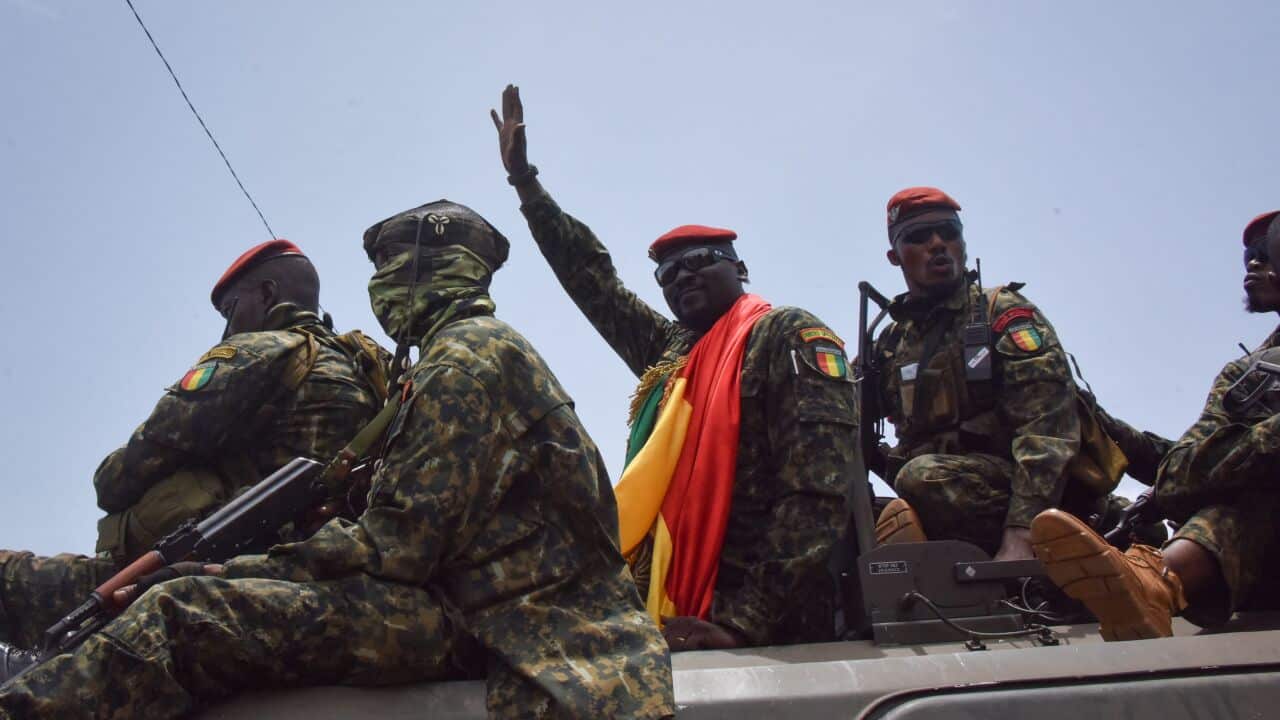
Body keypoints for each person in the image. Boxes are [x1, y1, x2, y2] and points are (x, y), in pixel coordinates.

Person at [0, 200, 674, 719]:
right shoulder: (425, 365)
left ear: (430, 274)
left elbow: (396, 545)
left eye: (389, 272)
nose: (378, 291)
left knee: (183, 615)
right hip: (484, 606)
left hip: (503, 624)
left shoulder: (466, 361)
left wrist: (232, 570)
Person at [492, 84, 857, 650]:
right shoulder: (673, 351)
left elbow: (817, 488)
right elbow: (593, 282)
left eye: (698, 262)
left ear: (741, 268)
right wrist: (526, 183)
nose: (681, 276)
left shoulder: (783, 335)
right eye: (666, 275)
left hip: (771, 623)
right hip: (681, 603)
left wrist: (745, 621)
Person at [0, 240, 388, 650]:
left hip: (208, 568)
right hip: (314, 569)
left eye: (231, 311)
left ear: (267, 294)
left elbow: (117, 479)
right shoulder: (372, 369)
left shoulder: (259, 352)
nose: (227, 329)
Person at [1031, 210, 1280, 640]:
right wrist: (1099, 422)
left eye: (1269, 252)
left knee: (1255, 486)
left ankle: (1158, 584)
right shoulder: (1249, 375)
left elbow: (1206, 466)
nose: (1254, 265)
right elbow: (1183, 469)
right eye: (1249, 257)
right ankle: (1151, 584)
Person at [868, 187, 1127, 562]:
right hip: (943, 488)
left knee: (920, 479)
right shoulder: (890, 342)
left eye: (948, 232)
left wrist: (1021, 535)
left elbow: (1048, 430)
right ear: (895, 256)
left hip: (1028, 489)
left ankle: (1087, 529)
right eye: (919, 237)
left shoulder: (1000, 313)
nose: (938, 244)